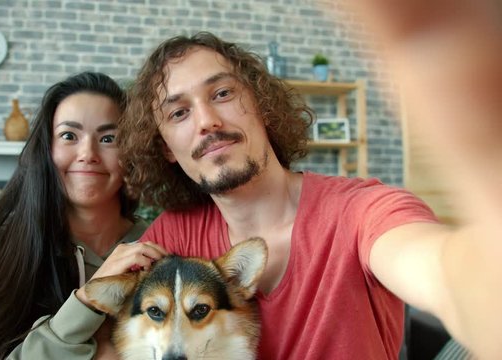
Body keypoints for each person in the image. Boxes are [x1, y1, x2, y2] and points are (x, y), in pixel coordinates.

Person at [117, 17, 502, 360]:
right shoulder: (174, 237)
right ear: (166, 147)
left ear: (260, 103)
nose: (207, 121)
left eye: (222, 93)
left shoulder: (362, 212)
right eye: (179, 112)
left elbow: (442, 273)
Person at [0, 72, 167, 360]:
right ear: (46, 149)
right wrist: (86, 303)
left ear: (130, 152)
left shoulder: (159, 246)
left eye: (109, 138)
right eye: (69, 136)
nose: (87, 153)